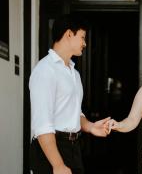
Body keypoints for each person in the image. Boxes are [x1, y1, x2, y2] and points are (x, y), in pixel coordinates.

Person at [29, 14, 111, 174]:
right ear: (68, 34)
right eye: (82, 37)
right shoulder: (45, 70)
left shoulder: (74, 73)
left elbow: (74, 113)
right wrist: (58, 165)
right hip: (51, 152)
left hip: (73, 149)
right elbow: (42, 124)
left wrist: (91, 127)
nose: (85, 43)